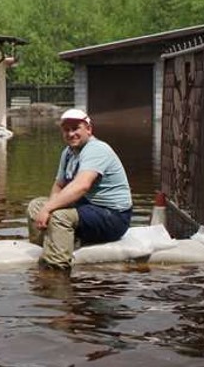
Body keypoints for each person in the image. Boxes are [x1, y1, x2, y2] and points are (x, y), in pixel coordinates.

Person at [27, 108, 133, 271]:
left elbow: (82, 185)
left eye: (75, 128)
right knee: (36, 206)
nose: (70, 134)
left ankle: (55, 269)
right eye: (66, 130)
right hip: (88, 208)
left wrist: (50, 209)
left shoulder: (97, 149)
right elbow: (59, 185)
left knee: (60, 216)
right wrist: (46, 209)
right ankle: (49, 245)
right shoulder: (68, 152)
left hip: (113, 216)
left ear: (88, 129)